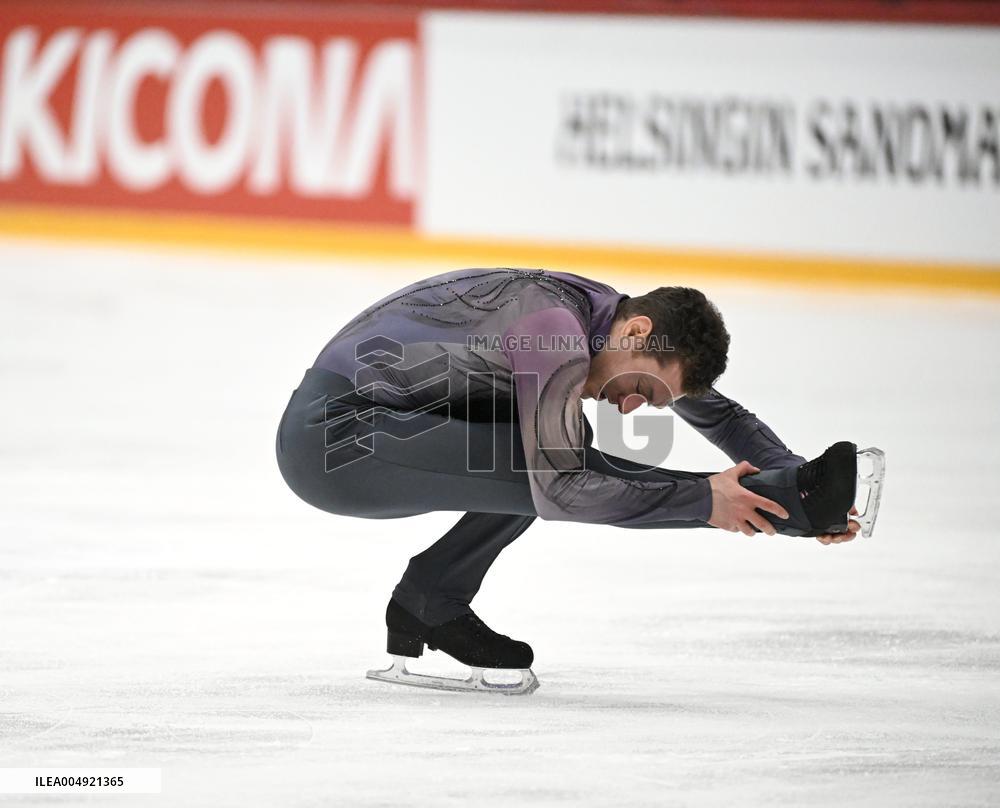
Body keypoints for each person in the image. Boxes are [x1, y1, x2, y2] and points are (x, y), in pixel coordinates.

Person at [275, 268, 863, 694]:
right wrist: (709, 500)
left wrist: (794, 482)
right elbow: (561, 487)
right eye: (646, 391)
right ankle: (434, 597)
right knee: (560, 453)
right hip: (332, 443)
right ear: (637, 334)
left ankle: (430, 600)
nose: (633, 410)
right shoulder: (554, 331)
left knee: (554, 432)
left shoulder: (612, 318)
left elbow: (721, 415)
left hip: (386, 422)